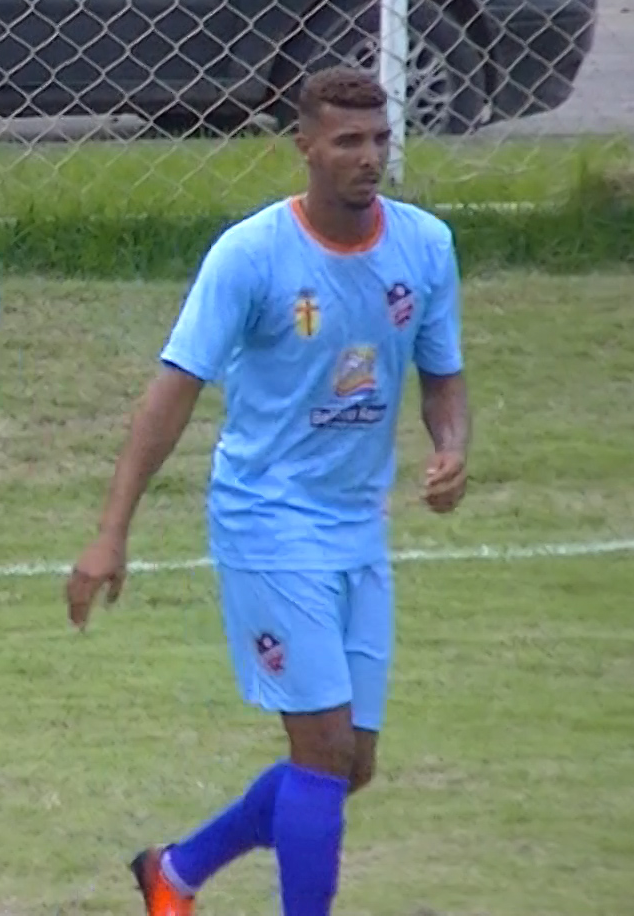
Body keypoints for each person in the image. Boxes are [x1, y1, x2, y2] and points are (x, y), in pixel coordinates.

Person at [64, 66, 473, 916]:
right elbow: (171, 392)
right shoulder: (251, 256)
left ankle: (173, 873)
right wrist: (112, 530)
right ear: (305, 146)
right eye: (348, 142)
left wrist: (451, 447)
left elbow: (442, 377)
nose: (368, 159)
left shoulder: (425, 246)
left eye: (380, 141)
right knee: (321, 750)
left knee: (350, 763)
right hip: (267, 519)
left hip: (359, 524)